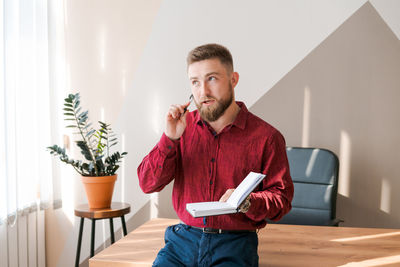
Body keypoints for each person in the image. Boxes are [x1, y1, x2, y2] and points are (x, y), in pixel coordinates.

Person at [137, 43, 294, 267]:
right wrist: (170, 139)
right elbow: (146, 184)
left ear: (233, 79)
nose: (203, 91)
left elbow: (282, 199)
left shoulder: (267, 137)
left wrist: (248, 201)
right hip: (182, 242)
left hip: (235, 244)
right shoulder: (181, 128)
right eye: (195, 82)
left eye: (212, 78)